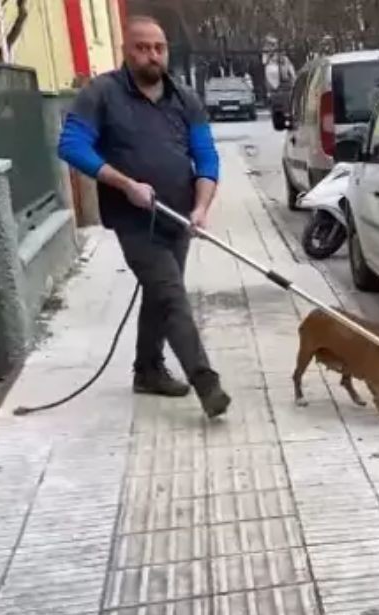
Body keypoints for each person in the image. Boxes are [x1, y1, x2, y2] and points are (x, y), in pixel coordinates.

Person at [57, 15, 230, 418]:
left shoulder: (184, 99)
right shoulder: (101, 93)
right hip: (133, 219)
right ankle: (207, 383)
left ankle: (148, 369)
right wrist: (125, 184)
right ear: (126, 51)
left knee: (159, 295)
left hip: (179, 216)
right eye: (142, 47)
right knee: (171, 296)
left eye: (159, 47)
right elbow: (71, 145)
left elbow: (206, 157)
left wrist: (201, 207)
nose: (152, 55)